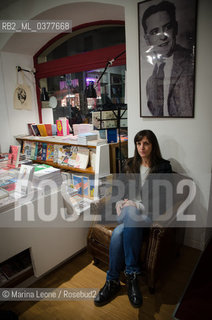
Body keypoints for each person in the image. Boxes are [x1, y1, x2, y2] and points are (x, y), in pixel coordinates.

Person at [94, 130, 172, 308]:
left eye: (146, 143)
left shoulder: (163, 167)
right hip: (127, 212)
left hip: (146, 214)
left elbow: (163, 200)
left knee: (118, 234)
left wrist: (137, 206)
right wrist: (121, 202)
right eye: (138, 143)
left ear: (153, 145)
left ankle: (112, 280)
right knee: (129, 211)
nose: (141, 148)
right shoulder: (129, 164)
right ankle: (132, 276)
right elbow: (117, 192)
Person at [142, 1, 194, 117]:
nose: (162, 36)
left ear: (175, 28)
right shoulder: (150, 81)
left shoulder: (191, 64)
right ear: (147, 40)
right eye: (155, 32)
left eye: (167, 27)